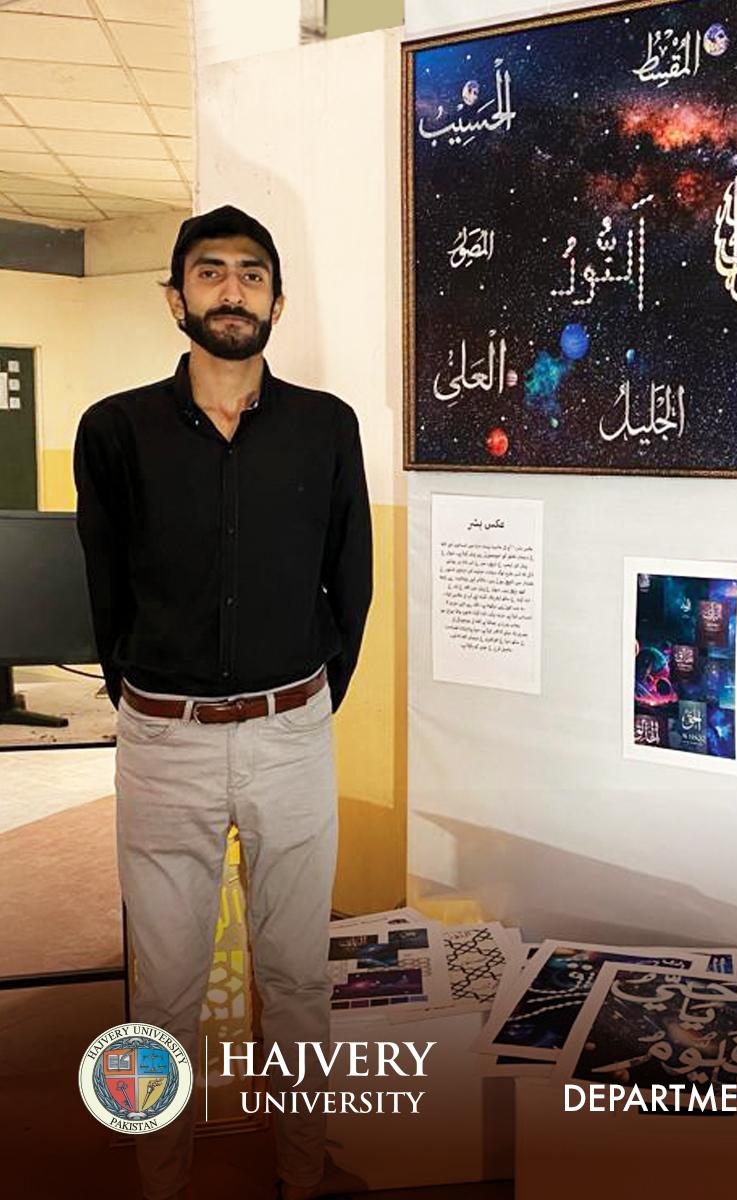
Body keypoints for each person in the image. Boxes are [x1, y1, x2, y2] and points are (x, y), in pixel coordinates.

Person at [74, 205, 372, 1200]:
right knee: (161, 990)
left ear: (277, 302)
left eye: (251, 273)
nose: (231, 289)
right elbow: (106, 590)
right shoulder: (114, 431)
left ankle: (302, 1171)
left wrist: (306, 701)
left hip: (294, 739)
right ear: (176, 298)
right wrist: (147, 697)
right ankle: (159, 1180)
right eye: (210, 272)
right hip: (165, 745)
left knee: (297, 978)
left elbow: (351, 583)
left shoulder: (327, 428)